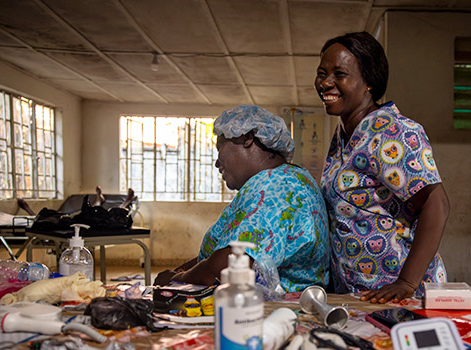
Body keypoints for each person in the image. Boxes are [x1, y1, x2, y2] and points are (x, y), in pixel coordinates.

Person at [316, 32, 450, 303]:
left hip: (399, 296)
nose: (325, 83)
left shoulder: (391, 130)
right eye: (322, 73)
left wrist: (407, 281)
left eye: (339, 74)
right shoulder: (345, 136)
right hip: (361, 296)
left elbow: (437, 204)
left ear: (368, 82)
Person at [153, 105, 330, 292]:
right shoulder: (291, 178)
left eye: (220, 148)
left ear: (246, 138)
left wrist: (175, 279)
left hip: (272, 312)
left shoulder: (273, 187)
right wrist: (191, 269)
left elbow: (230, 264)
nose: (216, 162)